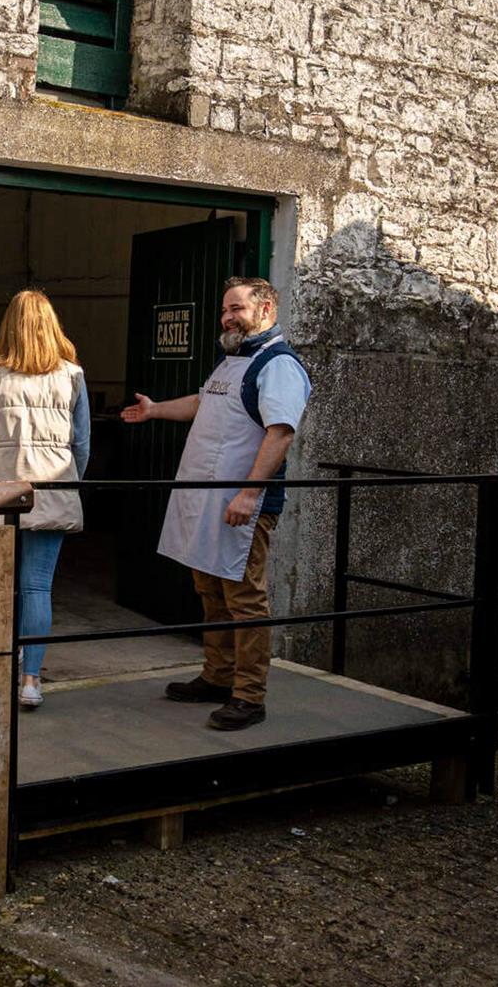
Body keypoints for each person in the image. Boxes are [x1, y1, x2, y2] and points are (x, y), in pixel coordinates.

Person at [121, 276, 312, 731]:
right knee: (210, 591)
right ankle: (217, 675)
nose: (227, 317)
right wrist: (154, 410)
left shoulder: (279, 365)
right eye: (225, 309)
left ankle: (249, 696)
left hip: (240, 504)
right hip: (205, 500)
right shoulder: (234, 360)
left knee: (244, 599)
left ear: (265, 310)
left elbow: (280, 431)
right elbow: (202, 403)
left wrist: (249, 492)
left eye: (237, 309)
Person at [0, 290, 90, 710]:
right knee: (36, 587)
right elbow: (81, 442)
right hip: (51, 487)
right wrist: (70, 480)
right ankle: (31, 680)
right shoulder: (72, 375)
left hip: (0, 491)